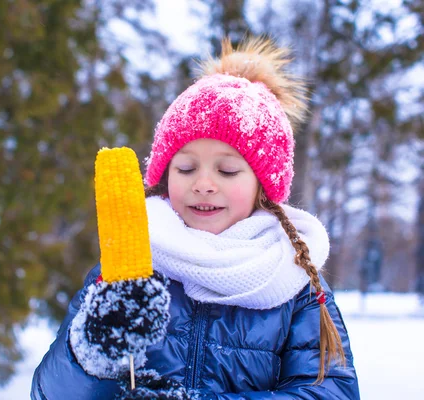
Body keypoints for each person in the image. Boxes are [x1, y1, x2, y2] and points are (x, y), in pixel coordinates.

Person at [31, 36, 360, 399]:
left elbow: (331, 393)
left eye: (228, 170)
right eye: (186, 167)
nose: (203, 184)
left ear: (263, 188)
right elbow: (50, 392)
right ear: (165, 177)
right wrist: (89, 354)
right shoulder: (128, 268)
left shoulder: (296, 283)